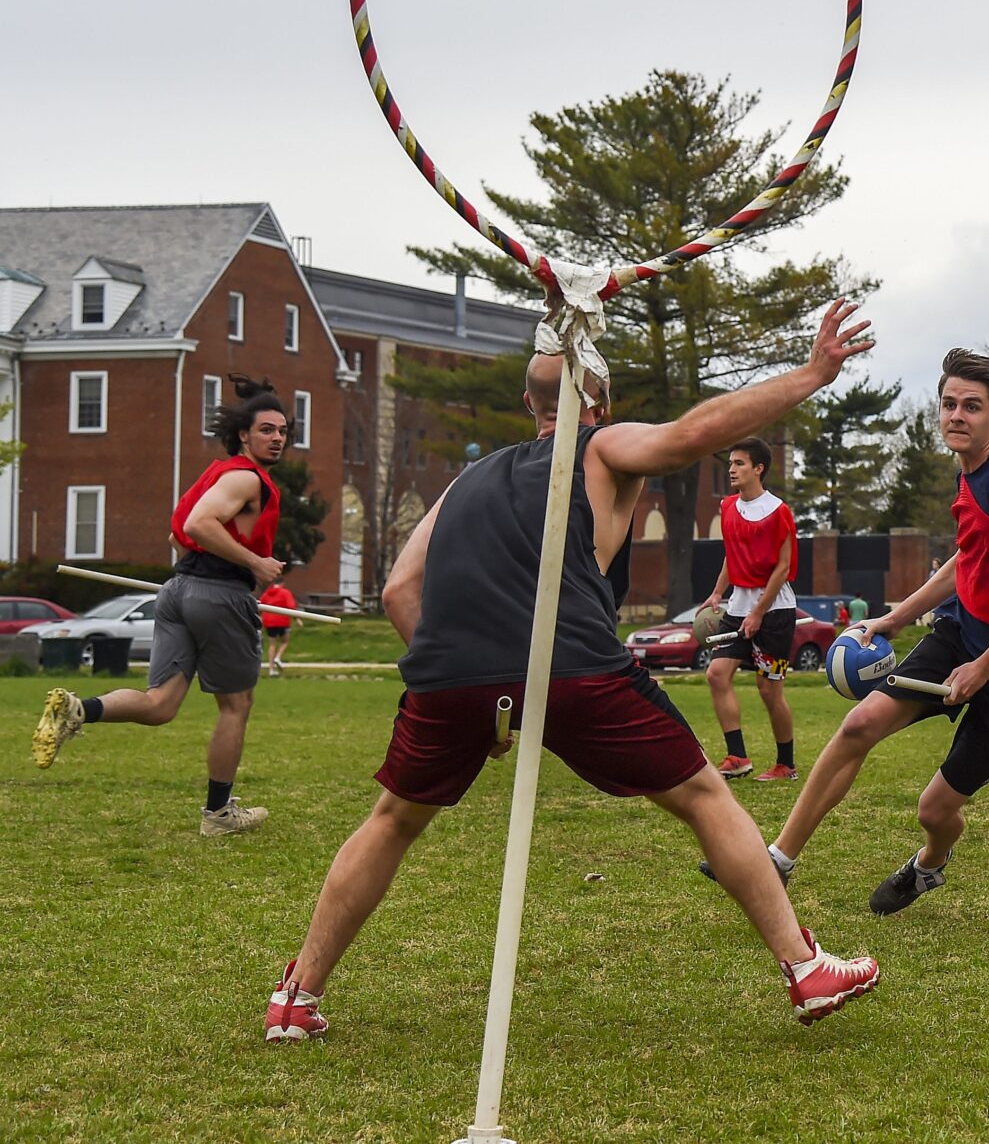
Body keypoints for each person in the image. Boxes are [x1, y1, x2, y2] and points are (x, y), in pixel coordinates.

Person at [258, 302, 879, 1043]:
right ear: (599, 403)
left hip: (449, 673)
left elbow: (398, 592)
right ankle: (805, 966)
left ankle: (296, 996)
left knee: (391, 819)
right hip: (573, 666)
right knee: (704, 795)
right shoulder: (598, 445)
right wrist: (811, 374)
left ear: (529, 402)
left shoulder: (465, 482)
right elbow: (692, 436)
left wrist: (478, 697)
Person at [760, 348, 989, 915]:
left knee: (934, 810)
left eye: (972, 407)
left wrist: (983, 669)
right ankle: (777, 863)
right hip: (962, 634)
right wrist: (891, 619)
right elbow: (966, 562)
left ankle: (929, 865)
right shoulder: (969, 476)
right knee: (860, 723)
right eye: (949, 404)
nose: (957, 415)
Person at [34, 375, 292, 836]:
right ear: (243, 436)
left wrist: (208, 569)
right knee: (236, 705)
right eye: (267, 430)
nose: (277, 438)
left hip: (177, 590)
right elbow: (199, 522)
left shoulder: (215, 475)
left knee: (160, 705)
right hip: (218, 596)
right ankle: (218, 815)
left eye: (282, 430)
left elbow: (179, 535)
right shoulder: (245, 478)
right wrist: (255, 563)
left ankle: (78, 710)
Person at [702, 440, 801, 783]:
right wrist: (717, 592)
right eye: (731, 462)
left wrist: (758, 612)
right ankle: (737, 757)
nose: (732, 469)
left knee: (769, 689)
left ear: (758, 469)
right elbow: (733, 554)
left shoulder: (779, 511)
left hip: (774, 613)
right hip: (737, 608)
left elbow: (783, 568)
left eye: (740, 463)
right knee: (716, 674)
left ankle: (785, 765)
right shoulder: (728, 507)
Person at [260, 577, 297, 678]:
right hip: (282, 621)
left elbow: (260, 605)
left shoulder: (267, 593)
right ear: (282, 583)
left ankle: (271, 669)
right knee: (284, 641)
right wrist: (297, 618)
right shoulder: (285, 593)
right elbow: (291, 606)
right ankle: (278, 657)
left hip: (269, 622)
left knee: (272, 644)